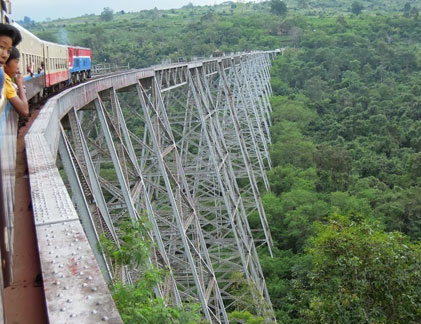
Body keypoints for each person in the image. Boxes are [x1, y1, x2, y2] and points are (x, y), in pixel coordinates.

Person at [4, 47, 28, 117]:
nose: (18, 67)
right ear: (5, 63)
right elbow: (25, 111)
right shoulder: (5, 81)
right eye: (16, 62)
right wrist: (20, 84)